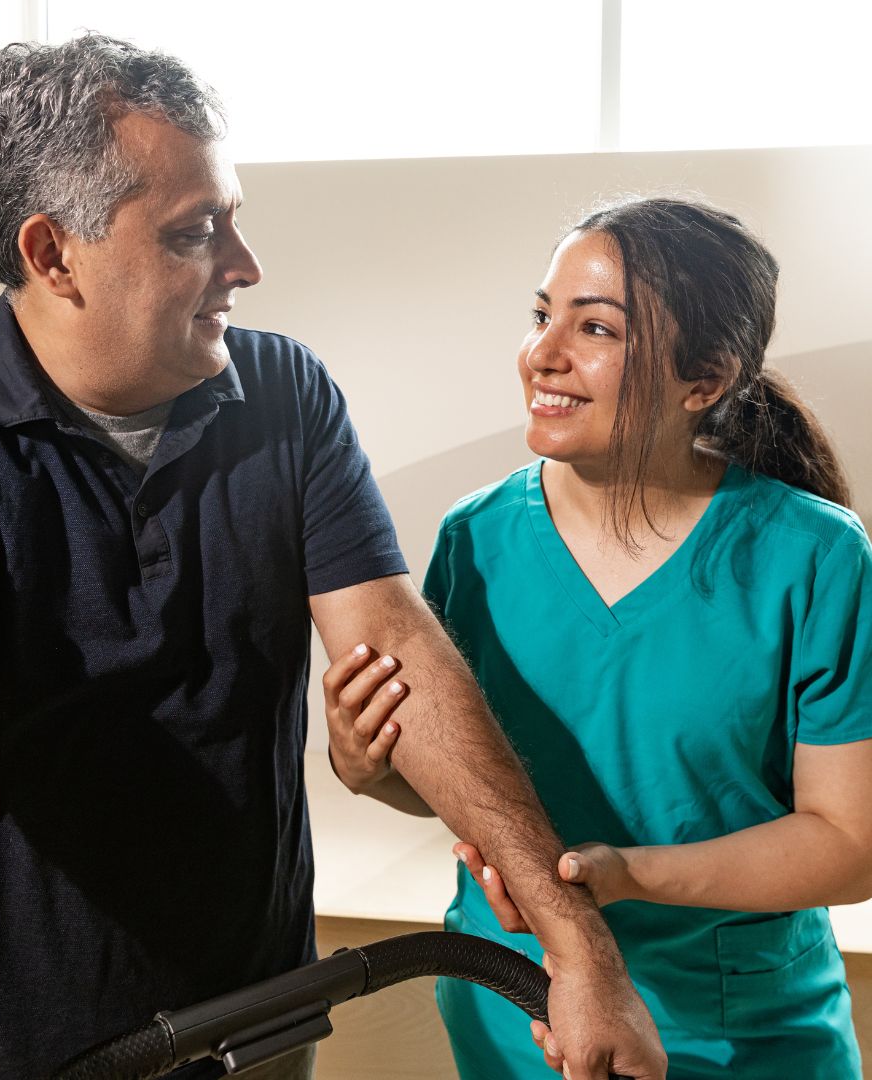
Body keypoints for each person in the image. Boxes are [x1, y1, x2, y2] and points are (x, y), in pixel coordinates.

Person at [0, 34, 666, 1080]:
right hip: (22, 1045)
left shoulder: (283, 396)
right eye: (194, 232)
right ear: (51, 253)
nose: (245, 267)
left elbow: (397, 649)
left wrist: (577, 947)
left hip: (259, 1017)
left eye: (233, 220)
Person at [325, 197, 872, 1078]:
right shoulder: (477, 541)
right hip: (522, 1020)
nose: (543, 354)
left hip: (744, 1033)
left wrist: (626, 873)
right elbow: (462, 789)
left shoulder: (815, 558)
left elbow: (849, 845)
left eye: (596, 329)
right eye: (542, 317)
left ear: (704, 380)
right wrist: (375, 769)